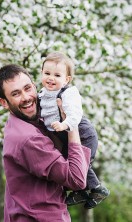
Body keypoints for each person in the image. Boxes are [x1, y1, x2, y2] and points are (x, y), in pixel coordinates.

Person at [0, 64, 91, 221]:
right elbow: (77, 179)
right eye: (16, 94)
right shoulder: (28, 139)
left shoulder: (29, 122)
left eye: (27, 88)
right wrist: (71, 124)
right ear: (4, 102)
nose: (26, 97)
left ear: (34, 86)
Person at [38, 51, 109, 209]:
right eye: (47, 73)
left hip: (83, 134)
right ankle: (81, 192)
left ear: (66, 79)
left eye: (57, 75)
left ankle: (98, 189)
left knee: (81, 164)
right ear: (41, 73)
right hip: (64, 136)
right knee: (69, 163)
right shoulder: (43, 94)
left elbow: (75, 115)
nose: (51, 78)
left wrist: (65, 124)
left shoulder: (68, 93)